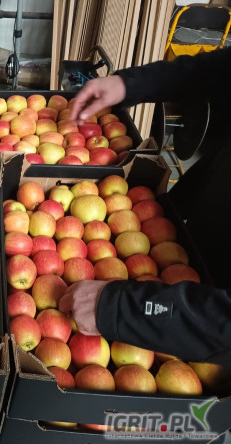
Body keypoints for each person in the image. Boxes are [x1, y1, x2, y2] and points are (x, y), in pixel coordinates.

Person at [60, 47, 231, 365]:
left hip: (205, 340)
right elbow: (217, 69)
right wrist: (130, 84)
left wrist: (122, 309)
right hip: (189, 233)